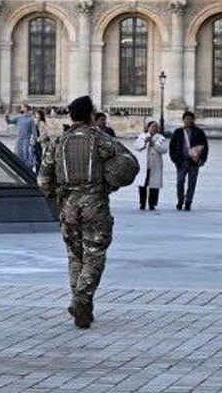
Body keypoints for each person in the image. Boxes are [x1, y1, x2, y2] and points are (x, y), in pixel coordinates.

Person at [38, 96, 135, 329]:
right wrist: (109, 182)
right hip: (95, 204)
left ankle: (83, 307)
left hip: (68, 205)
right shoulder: (100, 139)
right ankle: (81, 300)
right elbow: (129, 163)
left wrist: (59, 193)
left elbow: (43, 180)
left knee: (75, 255)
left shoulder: (58, 143)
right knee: (94, 254)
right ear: (91, 114)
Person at [169, 111, 209, 211]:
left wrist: (202, 159)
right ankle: (180, 199)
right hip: (181, 162)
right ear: (183, 120)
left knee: (192, 183)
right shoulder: (178, 132)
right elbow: (172, 147)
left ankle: (188, 201)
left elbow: (205, 146)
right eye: (186, 119)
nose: (188, 121)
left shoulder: (199, 132)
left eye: (190, 119)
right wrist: (176, 160)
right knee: (180, 182)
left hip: (194, 163)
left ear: (193, 120)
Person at [134, 121, 169, 210]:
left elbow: (164, 150)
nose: (154, 128)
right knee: (142, 185)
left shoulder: (161, 138)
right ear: (148, 127)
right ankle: (142, 203)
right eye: (152, 126)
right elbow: (136, 147)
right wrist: (144, 143)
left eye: (156, 127)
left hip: (155, 165)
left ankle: (152, 204)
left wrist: (154, 144)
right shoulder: (142, 136)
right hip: (144, 165)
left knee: (154, 185)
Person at [5, 104, 36, 170]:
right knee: (18, 152)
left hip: (26, 138)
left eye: (22, 107)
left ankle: (27, 167)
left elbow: (34, 131)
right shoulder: (19, 117)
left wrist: (33, 139)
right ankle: (19, 166)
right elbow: (9, 122)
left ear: (26, 108)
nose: (21, 108)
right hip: (19, 138)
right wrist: (6, 115)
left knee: (26, 152)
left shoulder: (31, 119)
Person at [34, 108, 51, 174]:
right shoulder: (37, 123)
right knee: (37, 159)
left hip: (41, 144)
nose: (36, 116)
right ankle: (37, 172)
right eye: (35, 115)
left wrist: (37, 140)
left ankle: (40, 173)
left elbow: (44, 135)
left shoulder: (42, 123)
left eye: (37, 115)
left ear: (40, 115)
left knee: (40, 159)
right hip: (37, 144)